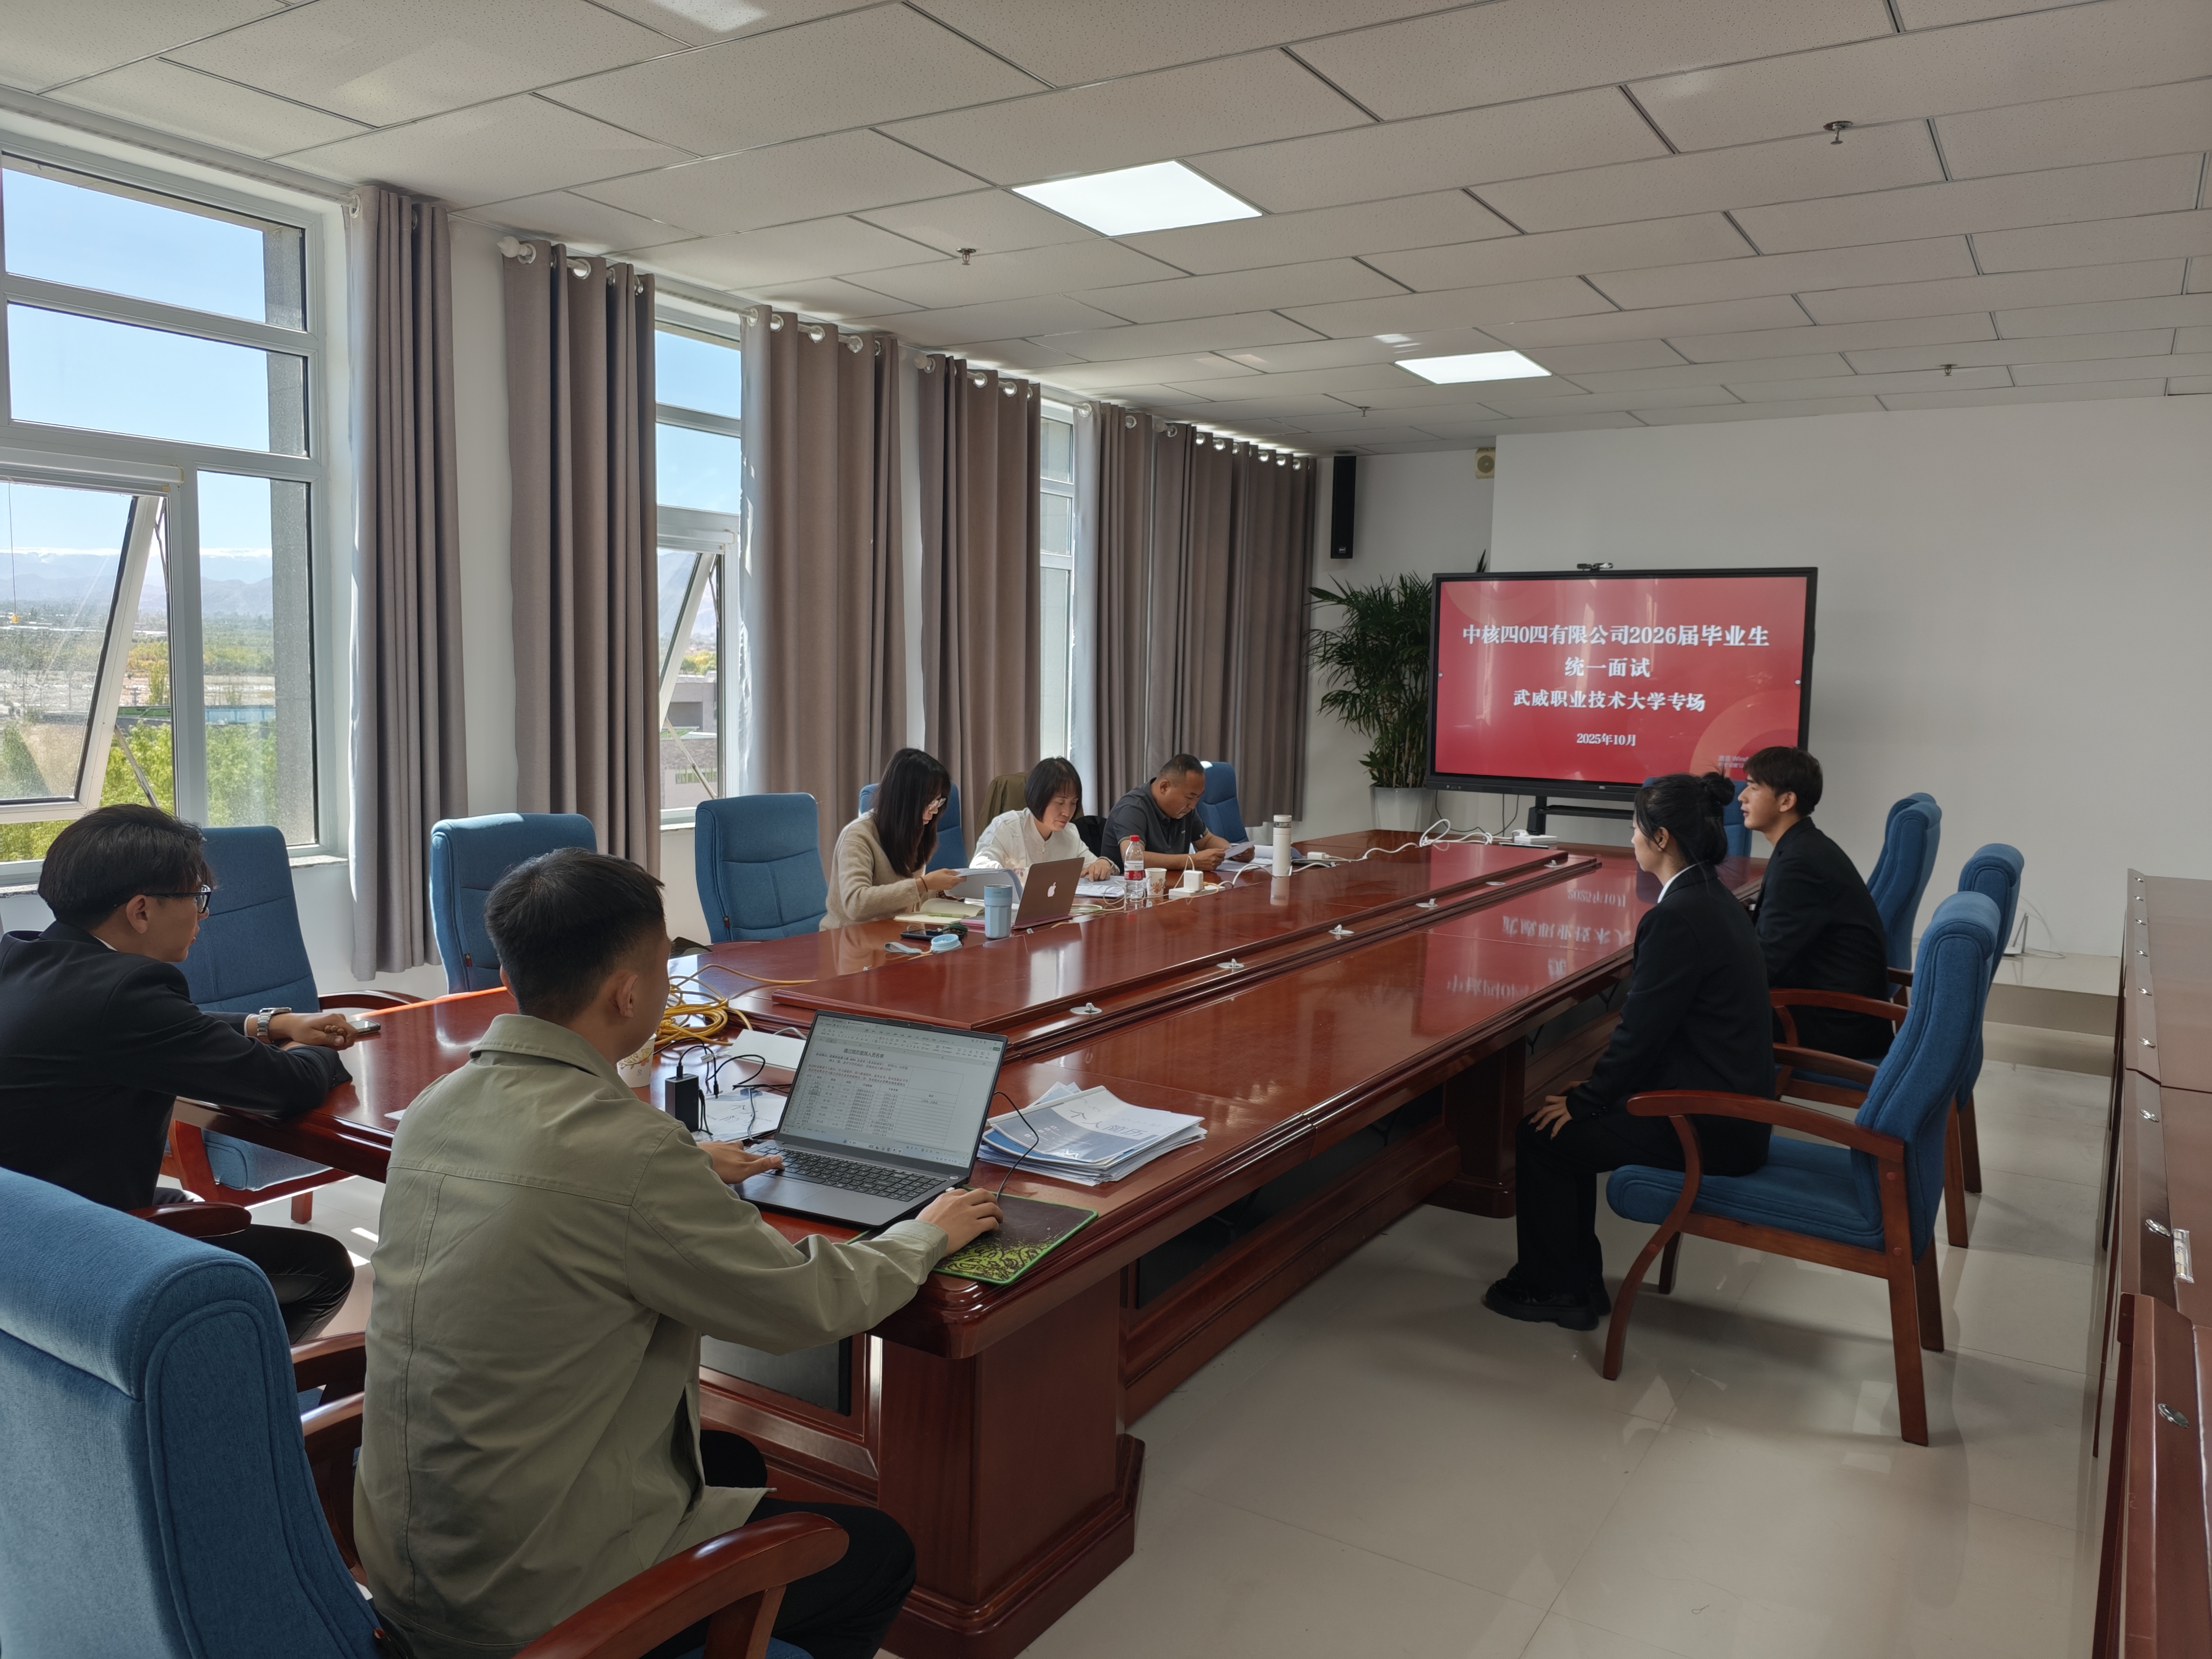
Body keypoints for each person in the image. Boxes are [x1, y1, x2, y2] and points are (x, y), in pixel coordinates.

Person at [355, 847, 1002, 1659]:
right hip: (532, 1606)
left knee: (726, 1457)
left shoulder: (435, 1106)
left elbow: (551, 1179)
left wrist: (684, 1161)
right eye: (665, 967)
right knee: (877, 1553)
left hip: (414, 1563)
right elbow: (804, 1306)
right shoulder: (631, 1154)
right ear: (629, 994)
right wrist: (926, 1232)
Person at [0, 804, 361, 1340]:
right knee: (324, 1267)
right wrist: (320, 1051)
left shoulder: (24, 956)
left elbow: (157, 1029)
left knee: (204, 1213)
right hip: (78, 1248)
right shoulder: (126, 993)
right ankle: (229, 1381)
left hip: (23, 1225)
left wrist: (271, 1024)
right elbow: (286, 1088)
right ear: (141, 910)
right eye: (197, 898)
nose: (204, 915)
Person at [1483, 774, 1775, 1331]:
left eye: (1635, 828)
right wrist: (1598, 1095)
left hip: (1708, 1123)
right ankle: (1577, 1280)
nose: (1632, 838)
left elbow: (1640, 1034)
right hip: (1728, 1109)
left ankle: (1556, 1289)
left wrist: (1590, 1100)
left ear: (1661, 837)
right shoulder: (1713, 899)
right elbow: (1655, 1033)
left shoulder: (1676, 917)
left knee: (1543, 1135)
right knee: (1566, 1120)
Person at [1736, 746, 1893, 1062]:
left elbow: (1765, 964)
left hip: (1834, 1026)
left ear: (1786, 801)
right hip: (1832, 1009)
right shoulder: (1804, 846)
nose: (1742, 797)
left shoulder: (1800, 864)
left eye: (1753, 787)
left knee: (1694, 1015)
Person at [824, 746, 966, 928]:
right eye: (929, 802)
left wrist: (942, 891)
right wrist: (923, 884)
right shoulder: (858, 836)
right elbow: (856, 905)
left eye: (939, 802)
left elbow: (903, 900)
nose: (934, 811)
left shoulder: (914, 831)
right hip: (851, 937)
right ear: (904, 799)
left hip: (895, 933)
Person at [972, 757, 1119, 881]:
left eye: (1073, 803)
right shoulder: (1006, 827)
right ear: (1038, 798)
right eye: (1060, 803)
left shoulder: (1070, 833)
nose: (1067, 812)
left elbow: (1092, 865)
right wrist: (1020, 875)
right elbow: (980, 870)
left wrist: (1103, 863)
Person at [1103, 754, 1230, 874]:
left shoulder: (1185, 810)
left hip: (1172, 885)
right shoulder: (1133, 808)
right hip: (1131, 887)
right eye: (1190, 797)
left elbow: (1207, 841)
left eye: (1198, 797)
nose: (1193, 805)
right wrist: (1192, 861)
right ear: (1164, 787)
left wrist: (1233, 851)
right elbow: (1134, 858)